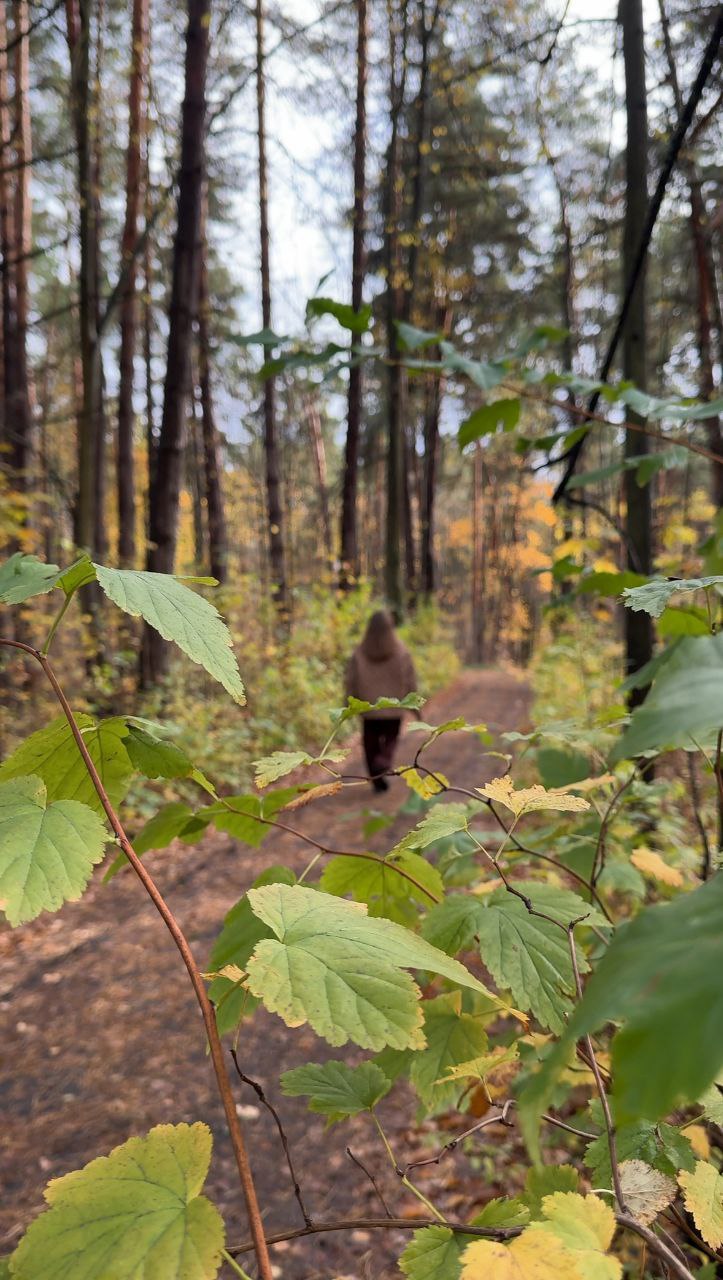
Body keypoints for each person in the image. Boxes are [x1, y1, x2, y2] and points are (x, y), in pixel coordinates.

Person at [345, 609, 417, 792]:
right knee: (390, 740)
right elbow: (409, 678)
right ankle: (383, 762)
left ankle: (377, 779)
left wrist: (349, 702)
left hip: (368, 708)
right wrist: (413, 703)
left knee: (370, 744)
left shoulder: (359, 651)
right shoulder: (401, 650)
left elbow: (350, 679)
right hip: (393, 707)